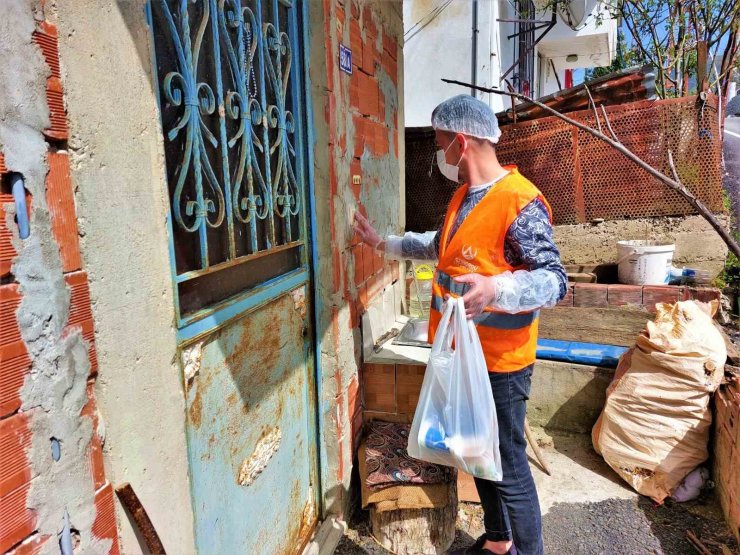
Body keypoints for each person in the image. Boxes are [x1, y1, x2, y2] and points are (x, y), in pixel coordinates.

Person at [353, 94, 567, 555]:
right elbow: (442, 247)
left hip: (500, 362)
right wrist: (384, 243)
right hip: (461, 355)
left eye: (439, 142)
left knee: (507, 462)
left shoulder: (519, 201)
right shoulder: (464, 197)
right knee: (476, 452)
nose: (438, 152)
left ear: (461, 142)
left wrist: (498, 290)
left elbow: (555, 280)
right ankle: (497, 539)